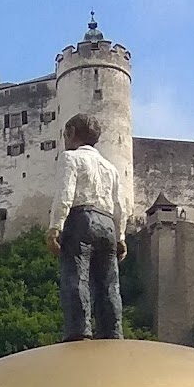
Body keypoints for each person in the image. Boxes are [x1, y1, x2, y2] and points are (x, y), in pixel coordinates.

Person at [45, 113, 130, 339]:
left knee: (75, 277)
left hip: (80, 219)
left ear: (71, 133)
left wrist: (55, 227)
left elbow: (65, 194)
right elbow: (120, 205)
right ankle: (113, 332)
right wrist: (121, 236)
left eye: (65, 135)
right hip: (107, 224)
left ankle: (79, 332)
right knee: (109, 284)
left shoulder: (70, 158)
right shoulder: (110, 168)